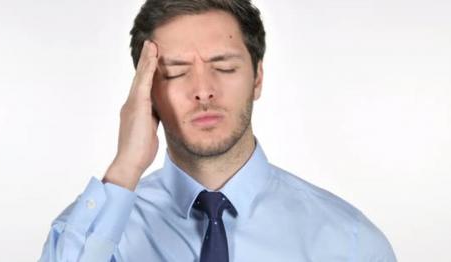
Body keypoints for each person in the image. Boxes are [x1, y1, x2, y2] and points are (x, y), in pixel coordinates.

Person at [39, 0, 397, 261]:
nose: (203, 89)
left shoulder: (350, 244)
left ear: (257, 78)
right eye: (176, 71)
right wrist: (124, 169)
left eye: (224, 67)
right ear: (145, 90)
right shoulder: (96, 236)